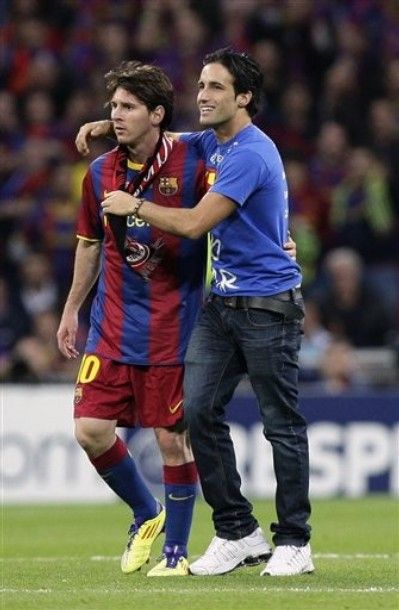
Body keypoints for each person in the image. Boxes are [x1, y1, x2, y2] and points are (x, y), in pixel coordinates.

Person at [78, 47, 313, 577]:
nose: (202, 96)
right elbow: (170, 139)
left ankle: (294, 540)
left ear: (244, 98)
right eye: (201, 86)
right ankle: (237, 531)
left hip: (267, 305)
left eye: (215, 88)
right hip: (222, 306)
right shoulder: (212, 142)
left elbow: (191, 225)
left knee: (281, 426)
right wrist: (113, 123)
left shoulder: (251, 152)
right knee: (197, 415)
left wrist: (133, 204)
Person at [57, 60, 207, 578]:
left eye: (127, 108)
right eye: (112, 108)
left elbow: (237, 145)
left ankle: (176, 554)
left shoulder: (193, 157)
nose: (115, 117)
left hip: (173, 327)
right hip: (111, 326)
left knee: (170, 439)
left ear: (158, 114)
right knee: (90, 430)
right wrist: (72, 308)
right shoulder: (99, 172)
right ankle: (147, 512)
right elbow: (89, 243)